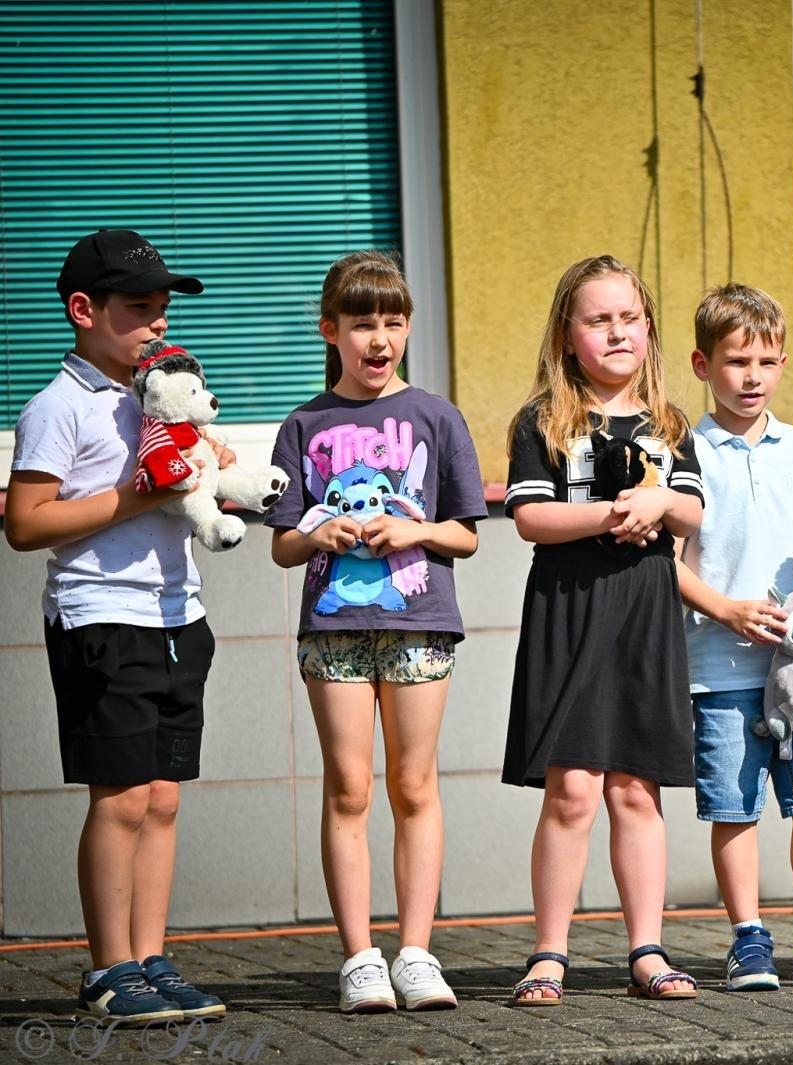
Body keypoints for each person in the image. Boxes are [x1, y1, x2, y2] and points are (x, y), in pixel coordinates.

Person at [7, 229, 226, 1022]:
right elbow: (26, 522)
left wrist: (211, 469)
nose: (156, 326)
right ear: (83, 310)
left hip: (177, 612)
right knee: (122, 797)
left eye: (162, 311)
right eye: (139, 310)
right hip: (101, 617)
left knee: (163, 795)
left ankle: (149, 957)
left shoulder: (156, 396)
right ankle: (107, 969)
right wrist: (141, 494)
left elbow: (192, 481)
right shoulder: (57, 406)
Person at [265, 251, 485, 1012]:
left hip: (419, 623)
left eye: (393, 321)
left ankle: (416, 952)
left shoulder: (437, 415)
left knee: (414, 784)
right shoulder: (304, 424)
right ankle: (360, 955)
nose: (379, 337)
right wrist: (316, 538)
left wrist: (409, 528)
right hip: (332, 632)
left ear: (409, 327)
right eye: (362, 323)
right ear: (331, 330)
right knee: (350, 787)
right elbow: (282, 542)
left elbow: (467, 534)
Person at [502, 254, 704, 1004]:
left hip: (646, 613)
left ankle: (646, 949)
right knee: (573, 788)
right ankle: (548, 953)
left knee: (635, 790)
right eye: (599, 319)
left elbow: (690, 511)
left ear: (649, 328)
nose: (617, 331)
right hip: (571, 609)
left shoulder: (671, 423)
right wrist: (613, 512)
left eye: (629, 317)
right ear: (568, 334)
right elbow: (530, 518)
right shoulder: (543, 421)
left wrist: (658, 503)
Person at [674, 283, 793, 991]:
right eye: (735, 361)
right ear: (702, 363)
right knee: (734, 801)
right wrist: (724, 609)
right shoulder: (683, 450)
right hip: (718, 662)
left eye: (767, 361)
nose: (752, 376)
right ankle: (748, 937)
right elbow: (666, 565)